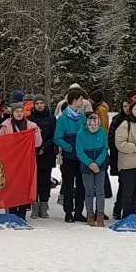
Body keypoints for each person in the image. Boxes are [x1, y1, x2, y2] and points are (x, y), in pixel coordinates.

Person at [0, 103, 43, 222]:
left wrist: (36, 132)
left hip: (26, 161)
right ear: (12, 113)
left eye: (21, 111)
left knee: (24, 186)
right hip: (11, 161)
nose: (19, 113)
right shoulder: (5, 126)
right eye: (16, 111)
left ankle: (22, 213)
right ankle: (12, 212)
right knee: (12, 186)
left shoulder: (31, 126)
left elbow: (38, 143)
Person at [54, 89, 88, 223]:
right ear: (74, 100)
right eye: (81, 99)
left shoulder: (82, 117)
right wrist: (68, 147)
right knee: (68, 185)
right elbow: (57, 138)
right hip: (69, 157)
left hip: (82, 156)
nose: (82, 102)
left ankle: (79, 211)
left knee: (82, 184)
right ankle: (68, 212)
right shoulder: (63, 118)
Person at [76, 112, 109, 226]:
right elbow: (79, 151)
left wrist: (98, 163)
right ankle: (90, 214)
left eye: (96, 125)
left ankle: (100, 214)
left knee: (100, 191)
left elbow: (105, 148)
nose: (94, 127)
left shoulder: (102, 132)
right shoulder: (81, 133)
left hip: (100, 165)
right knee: (89, 192)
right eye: (91, 125)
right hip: (87, 165)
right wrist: (90, 163)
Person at [28, 95, 56, 219]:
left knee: (45, 182)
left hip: (47, 154)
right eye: (37, 103)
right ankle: (34, 206)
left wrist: (44, 147)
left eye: (41, 103)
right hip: (33, 154)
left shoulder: (51, 118)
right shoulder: (29, 119)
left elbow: (54, 135)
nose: (39, 105)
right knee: (34, 181)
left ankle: (44, 207)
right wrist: (35, 148)